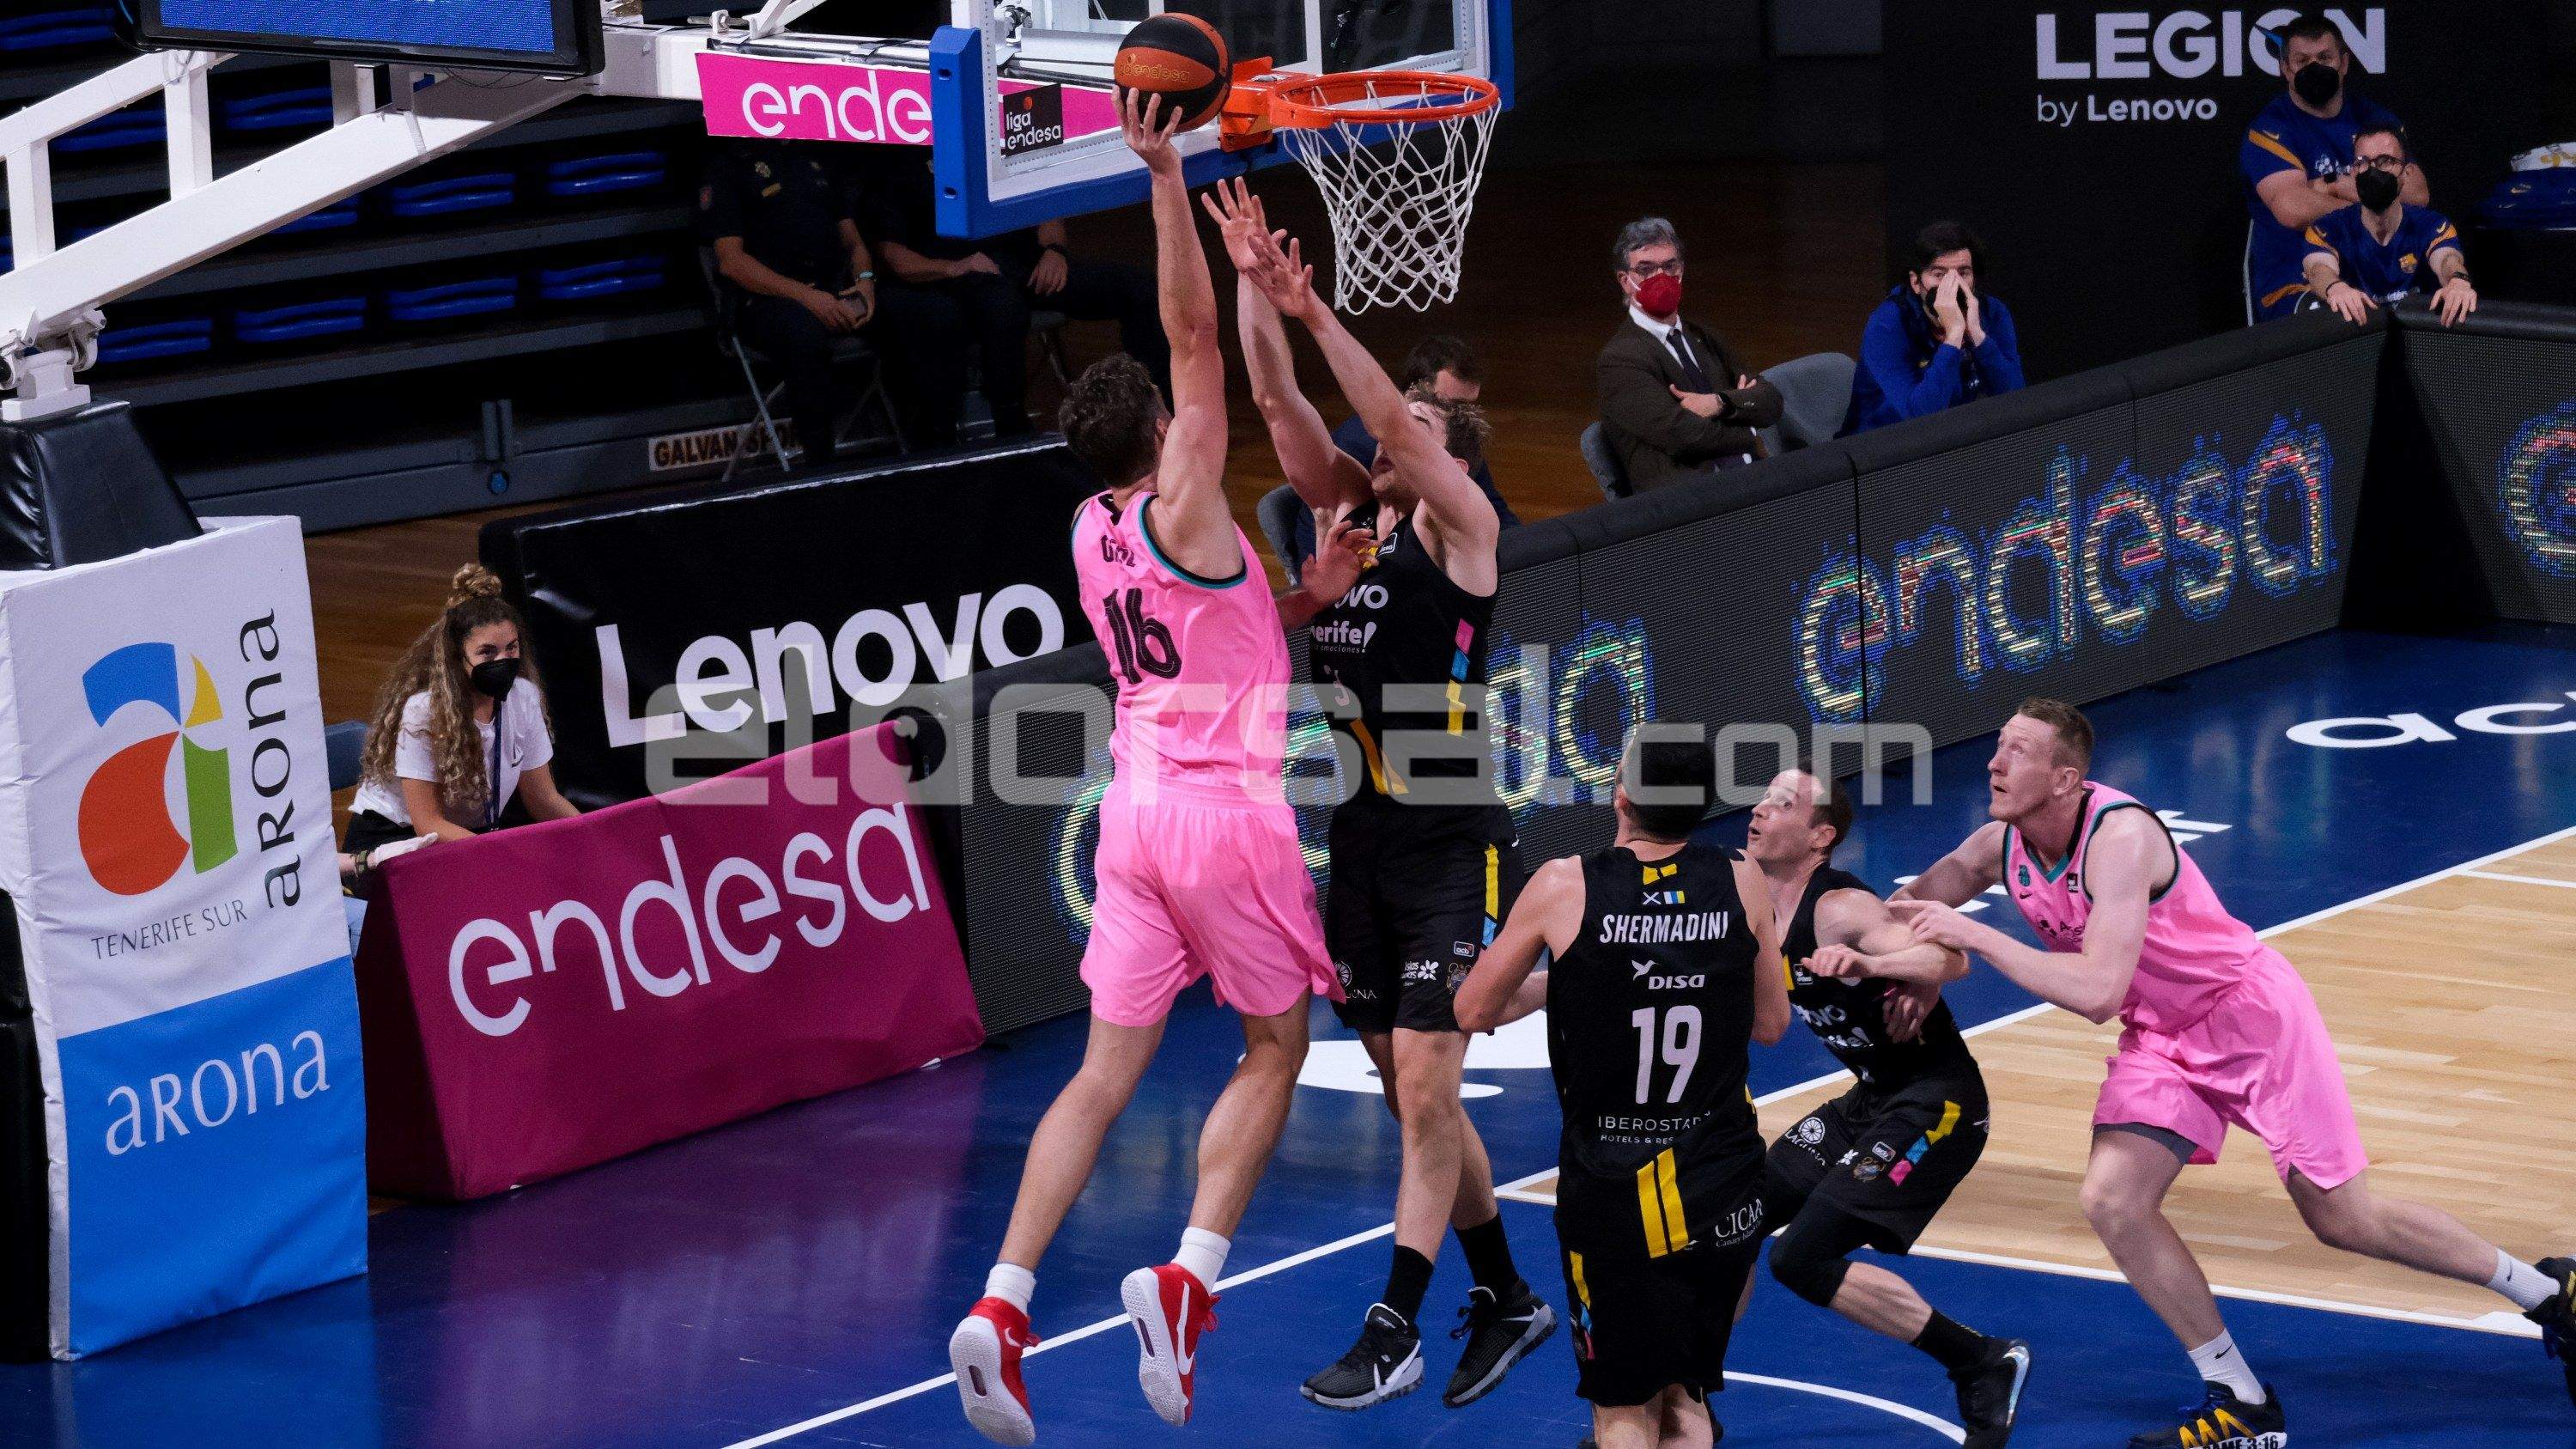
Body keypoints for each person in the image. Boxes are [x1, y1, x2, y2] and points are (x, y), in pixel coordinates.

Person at [945, 99, 1369, 1448]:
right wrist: (1167, 173)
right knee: (1274, 1040)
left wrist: (1301, 601)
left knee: (1097, 1074)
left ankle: (1003, 1303)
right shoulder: (1185, 495)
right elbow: (1193, 339)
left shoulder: (1087, 527)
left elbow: (1215, 624)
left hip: (1128, 814)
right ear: (1164, 438)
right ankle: (1188, 1279)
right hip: (1224, 816)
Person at [1889, 698, 2576, 1447]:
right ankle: (2242, 1402)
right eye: (1998, 746)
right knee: (2113, 1200)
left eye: (2016, 752)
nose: (1993, 763)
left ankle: (2547, 1290)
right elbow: (1907, 908)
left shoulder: (2119, 838)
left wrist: (1973, 938)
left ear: (2065, 778)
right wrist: (1919, 966)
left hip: (2250, 1020)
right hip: (2162, 1036)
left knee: (2341, 1219)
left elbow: (2095, 992)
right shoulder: (1999, 845)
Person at [1208, 181, 1557, 1412]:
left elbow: (1394, 432)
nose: (1390, 426)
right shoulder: (1346, 516)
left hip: (1456, 834)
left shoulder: (1465, 528)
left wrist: (1314, 306)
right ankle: (1510, 1294)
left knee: (1423, 1078)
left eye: (1412, 417)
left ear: (1452, 454)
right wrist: (1257, 288)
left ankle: (1395, 1319)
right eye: (1392, 410)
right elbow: (1273, 401)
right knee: (1419, 1085)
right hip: (1358, 838)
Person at [1453, 733, 1790, 1449]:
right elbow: (1771, 1022)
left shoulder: (1564, 883)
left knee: (1622, 1409)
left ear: (1621, 795)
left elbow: (1474, 1010)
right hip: (1721, 1171)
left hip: (1616, 1179)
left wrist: (1571, 982)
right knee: (1687, 1393)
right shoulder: (1743, 877)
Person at [1740, 767, 2030, 1446]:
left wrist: (1875, 967)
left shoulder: (1838, 907)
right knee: (1734, 1216)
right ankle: (1692, 1398)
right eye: (1762, 795)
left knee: (1800, 1259)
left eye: (1782, 802)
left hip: (1938, 1105)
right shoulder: (1750, 893)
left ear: (1821, 835)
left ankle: (1981, 1360)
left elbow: (1949, 959)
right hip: (1869, 1099)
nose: (1759, 807)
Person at [865, 151, 1170, 438]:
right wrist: (954, 268)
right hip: (956, 272)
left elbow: (1045, 200)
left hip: (1027, 264)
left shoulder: (995, 137)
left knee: (1139, 287)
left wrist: (1055, 251)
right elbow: (892, 257)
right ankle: (1010, 424)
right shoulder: (898, 162)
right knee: (1002, 308)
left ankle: (1155, 407)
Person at [700, 139, 952, 464]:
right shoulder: (727, 167)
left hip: (834, 288)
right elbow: (731, 262)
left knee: (932, 313)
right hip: (769, 298)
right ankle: (820, 467)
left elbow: (854, 243)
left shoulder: (814, 157)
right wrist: (806, 297)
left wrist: (865, 285)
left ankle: (939, 446)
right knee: (806, 337)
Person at [343, 565, 579, 870]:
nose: (503, 661)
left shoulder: (523, 696)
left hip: (470, 836)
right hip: (397, 841)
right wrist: (503, 856)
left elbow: (543, 798)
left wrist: (592, 833)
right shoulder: (424, 712)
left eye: (511, 648)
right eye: (487, 652)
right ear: (458, 658)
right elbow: (427, 823)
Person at [2240, 11, 2426, 324]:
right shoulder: (2270, 130)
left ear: (2344, 63)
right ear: (2285, 68)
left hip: (2374, 275)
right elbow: (2293, 210)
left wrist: (2335, 185)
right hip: (2296, 284)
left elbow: (2417, 194)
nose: (2314, 67)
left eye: (2324, 57)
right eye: (2301, 61)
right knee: (2342, 319)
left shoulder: (2377, 120)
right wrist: (2376, 197)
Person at [1595, 217, 1782, 493]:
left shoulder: (1704, 336)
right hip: (1687, 498)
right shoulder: (1619, 361)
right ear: (1625, 281)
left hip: (1751, 480)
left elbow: (1769, 401)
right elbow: (1684, 436)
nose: (1661, 277)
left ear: (1681, 270)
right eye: (1645, 269)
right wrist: (1749, 430)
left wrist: (1720, 403)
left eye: (1670, 266)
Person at [1842, 222, 2026, 436]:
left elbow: (2015, 398)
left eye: (1963, 272)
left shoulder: (1992, 312)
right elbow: (1920, 418)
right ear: (1916, 282)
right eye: (1939, 275)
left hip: (1953, 436)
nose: (1953, 285)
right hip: (1883, 446)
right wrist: (1954, 336)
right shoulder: (1886, 325)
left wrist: (1977, 336)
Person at [2303, 125, 2478, 326]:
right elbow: (2317, 269)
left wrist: (2457, 280)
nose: (2372, 170)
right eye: (2363, 162)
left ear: (2407, 172)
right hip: (2360, 342)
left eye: (2385, 161)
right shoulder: (2327, 229)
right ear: (2353, 172)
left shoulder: (2432, 225)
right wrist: (2335, 288)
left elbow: (2448, 259)